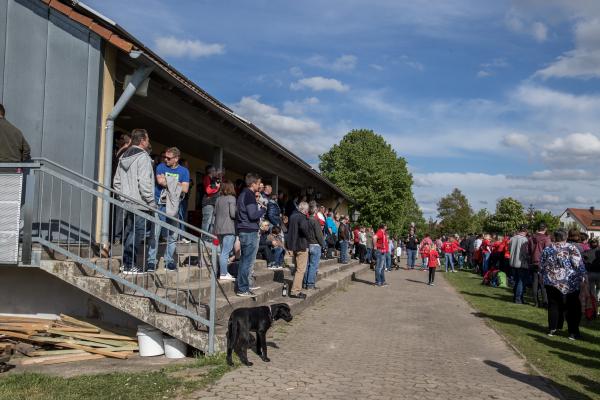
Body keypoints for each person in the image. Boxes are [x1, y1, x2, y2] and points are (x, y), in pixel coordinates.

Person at [113, 129, 155, 274]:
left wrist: (123, 197)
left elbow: (116, 182)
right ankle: (130, 265)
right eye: (148, 139)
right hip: (140, 203)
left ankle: (127, 264)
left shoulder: (124, 156)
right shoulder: (143, 157)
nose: (148, 142)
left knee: (130, 232)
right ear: (142, 140)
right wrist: (151, 202)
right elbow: (144, 182)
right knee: (136, 233)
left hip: (127, 201)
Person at [147, 147, 189, 271]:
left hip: (175, 205)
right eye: (165, 157)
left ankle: (169, 260)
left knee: (173, 235)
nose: (165, 159)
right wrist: (177, 184)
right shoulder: (160, 166)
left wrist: (168, 181)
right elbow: (160, 181)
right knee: (155, 234)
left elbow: (186, 189)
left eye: (169, 158)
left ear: (176, 159)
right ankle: (151, 261)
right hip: (160, 204)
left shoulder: (184, 171)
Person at [540, 229, 586, 340]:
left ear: (555, 237)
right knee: (572, 307)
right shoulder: (571, 248)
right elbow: (578, 264)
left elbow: (542, 265)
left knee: (554, 305)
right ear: (565, 237)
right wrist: (583, 276)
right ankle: (573, 332)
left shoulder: (548, 248)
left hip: (551, 281)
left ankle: (552, 328)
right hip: (569, 282)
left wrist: (543, 276)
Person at [235, 173, 265, 297]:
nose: (259, 186)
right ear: (253, 184)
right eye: (258, 184)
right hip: (249, 231)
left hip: (245, 229)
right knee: (247, 261)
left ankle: (243, 286)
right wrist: (263, 210)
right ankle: (242, 288)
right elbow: (252, 215)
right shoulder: (249, 195)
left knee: (244, 261)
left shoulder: (244, 194)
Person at [213, 180, 237, 281]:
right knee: (225, 252)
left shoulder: (218, 199)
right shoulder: (232, 198)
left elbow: (215, 213)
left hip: (218, 228)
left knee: (223, 251)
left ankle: (224, 272)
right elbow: (233, 214)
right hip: (228, 228)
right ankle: (223, 273)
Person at [287, 201, 310, 299]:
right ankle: (296, 291)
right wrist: (309, 236)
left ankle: (295, 289)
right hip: (301, 245)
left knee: (297, 269)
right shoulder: (302, 217)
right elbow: (303, 228)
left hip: (293, 245)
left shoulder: (292, 216)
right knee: (301, 270)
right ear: (305, 210)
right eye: (307, 210)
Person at [528, 223, 551, 308]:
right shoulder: (546, 238)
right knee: (543, 284)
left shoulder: (531, 238)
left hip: (534, 261)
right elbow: (548, 251)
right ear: (545, 229)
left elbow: (529, 251)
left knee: (535, 282)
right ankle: (545, 302)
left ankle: (536, 302)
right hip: (543, 262)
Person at [304, 203, 326, 290]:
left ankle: (305, 283)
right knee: (313, 266)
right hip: (315, 245)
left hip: (307, 244)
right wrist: (323, 244)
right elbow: (319, 235)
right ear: (315, 211)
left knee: (308, 265)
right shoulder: (315, 221)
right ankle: (310, 284)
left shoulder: (306, 219)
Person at [509, 226, 529, 304]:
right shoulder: (525, 240)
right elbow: (525, 253)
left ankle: (516, 297)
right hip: (521, 263)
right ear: (525, 231)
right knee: (521, 281)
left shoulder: (512, 238)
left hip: (512, 262)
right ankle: (518, 298)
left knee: (516, 280)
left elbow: (509, 249)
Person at [201, 165, 221, 234]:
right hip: (208, 203)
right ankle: (204, 238)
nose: (216, 172)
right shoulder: (206, 178)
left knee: (213, 222)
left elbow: (218, 186)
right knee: (207, 222)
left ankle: (209, 239)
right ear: (211, 171)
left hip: (214, 203)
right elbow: (208, 190)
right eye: (215, 170)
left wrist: (217, 178)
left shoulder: (214, 179)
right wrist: (216, 188)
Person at [583, 238, 600, 306]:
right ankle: (596, 300)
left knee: (592, 290)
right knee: (597, 288)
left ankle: (594, 301)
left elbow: (584, 263)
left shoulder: (586, 252)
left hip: (590, 274)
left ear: (589, 244)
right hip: (597, 273)